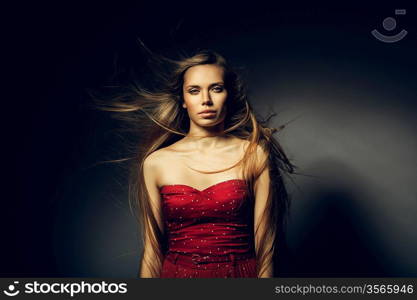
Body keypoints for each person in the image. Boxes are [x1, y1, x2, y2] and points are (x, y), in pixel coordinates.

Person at [93, 44, 295, 278]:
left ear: (228, 95)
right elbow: (152, 251)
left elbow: (266, 248)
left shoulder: (253, 154)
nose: (206, 100)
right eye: (194, 90)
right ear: (182, 99)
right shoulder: (156, 163)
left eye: (216, 89)